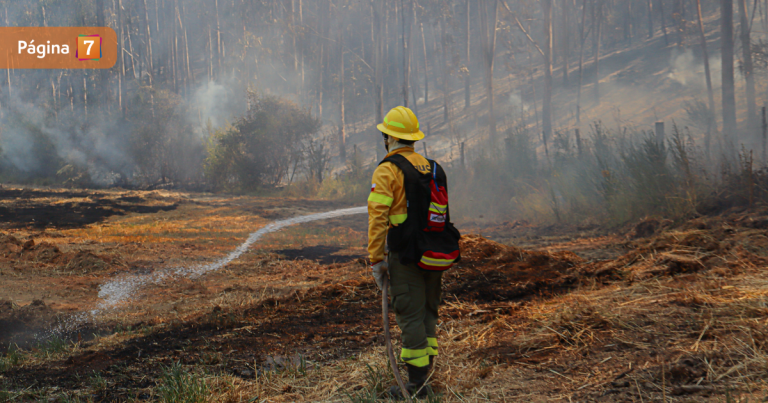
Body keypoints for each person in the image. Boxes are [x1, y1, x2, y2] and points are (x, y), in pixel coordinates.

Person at [368, 106, 450, 399]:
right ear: (413, 138)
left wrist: (377, 260)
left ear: (389, 136)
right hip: (435, 254)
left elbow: (378, 218)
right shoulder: (434, 168)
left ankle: (415, 387)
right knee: (428, 312)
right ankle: (424, 376)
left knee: (410, 315)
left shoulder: (388, 169)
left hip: (406, 257)